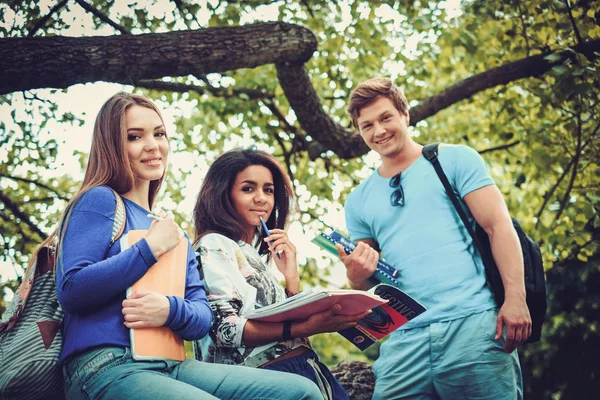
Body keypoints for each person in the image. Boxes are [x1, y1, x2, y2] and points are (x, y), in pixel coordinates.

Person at [52, 92, 323, 400]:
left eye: (159, 134)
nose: (153, 145)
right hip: (107, 365)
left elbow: (201, 319)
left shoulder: (174, 233)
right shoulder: (100, 200)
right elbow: (72, 289)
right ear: (112, 145)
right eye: (134, 137)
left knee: (302, 392)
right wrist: (149, 249)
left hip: (172, 365)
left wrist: (169, 310)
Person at [336, 77, 531, 399]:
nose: (379, 131)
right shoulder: (358, 200)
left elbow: (499, 227)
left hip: (474, 326)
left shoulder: (454, 159)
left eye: (386, 118)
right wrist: (354, 275)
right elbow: (367, 279)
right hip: (404, 338)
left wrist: (516, 297)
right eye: (367, 125)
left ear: (404, 114)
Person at [192, 148, 367, 400]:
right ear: (223, 195)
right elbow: (225, 330)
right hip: (263, 380)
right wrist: (305, 326)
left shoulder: (254, 256)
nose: (261, 198)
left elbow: (293, 334)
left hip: (303, 370)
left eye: (268, 190)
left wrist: (291, 278)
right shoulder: (214, 244)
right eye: (248, 189)